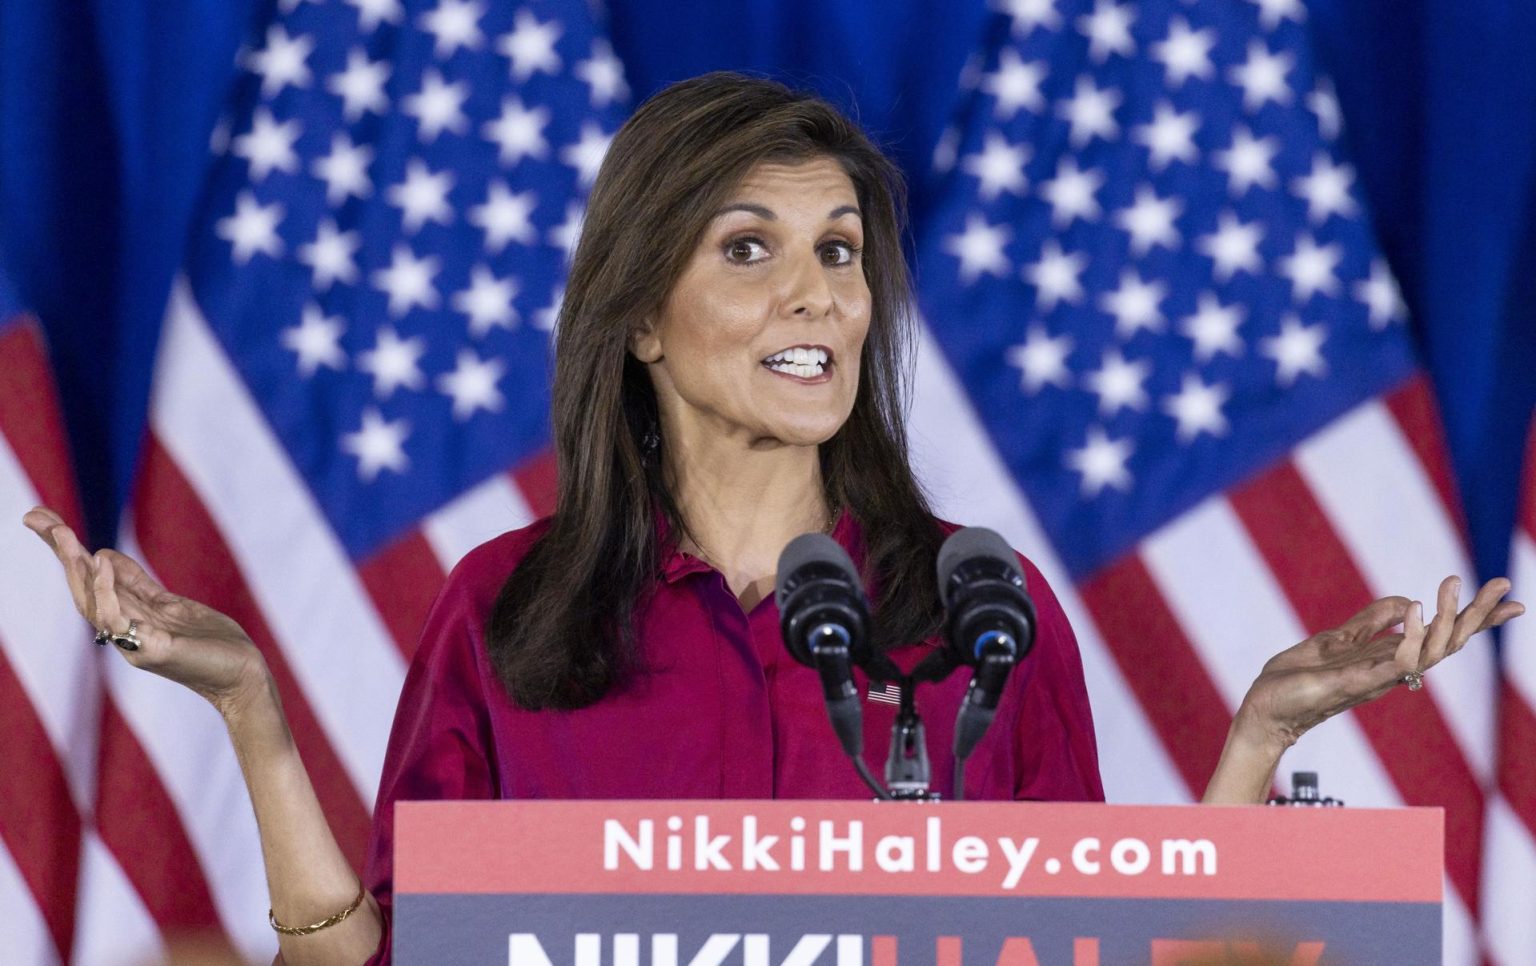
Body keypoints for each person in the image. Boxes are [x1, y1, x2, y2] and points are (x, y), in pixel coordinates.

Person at [23, 72, 1523, 965]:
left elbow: (1097, 946)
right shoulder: (508, 612)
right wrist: (255, 718)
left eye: (842, 249)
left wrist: (1260, 735)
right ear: (644, 321)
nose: (819, 294)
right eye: (752, 248)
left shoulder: (978, 606)